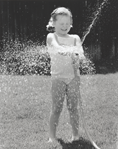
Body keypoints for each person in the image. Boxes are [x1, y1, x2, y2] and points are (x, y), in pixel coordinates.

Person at [46, 7, 85, 143]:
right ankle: (52, 136)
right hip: (58, 77)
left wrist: (77, 57)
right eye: (61, 24)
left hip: (73, 77)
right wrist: (69, 51)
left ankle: (75, 135)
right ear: (53, 24)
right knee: (56, 107)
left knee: (73, 107)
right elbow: (56, 48)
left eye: (67, 24)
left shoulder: (75, 38)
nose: (64, 26)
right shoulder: (52, 37)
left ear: (71, 23)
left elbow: (81, 53)